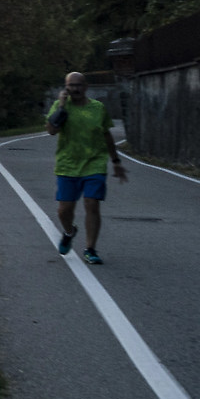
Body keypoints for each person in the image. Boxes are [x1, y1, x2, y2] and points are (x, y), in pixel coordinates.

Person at [45, 70, 127, 264]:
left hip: (94, 163)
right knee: (64, 210)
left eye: (79, 85)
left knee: (92, 203)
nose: (75, 89)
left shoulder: (98, 108)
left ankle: (90, 249)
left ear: (86, 87)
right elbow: (51, 131)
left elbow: (107, 135)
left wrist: (116, 161)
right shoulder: (59, 106)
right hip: (68, 165)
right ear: (66, 88)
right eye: (71, 85)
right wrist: (62, 106)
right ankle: (69, 231)